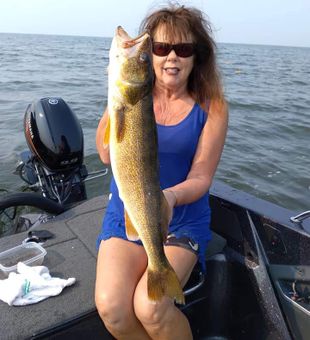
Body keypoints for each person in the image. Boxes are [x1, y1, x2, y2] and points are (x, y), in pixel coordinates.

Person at [95, 4, 228, 340]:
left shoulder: (211, 106)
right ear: (152, 56)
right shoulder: (131, 97)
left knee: (151, 307)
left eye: (183, 49)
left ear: (197, 56)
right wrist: (115, 98)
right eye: (160, 48)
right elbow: (107, 154)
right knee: (111, 306)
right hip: (129, 209)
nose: (172, 57)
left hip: (181, 217)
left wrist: (169, 196)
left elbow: (201, 177)